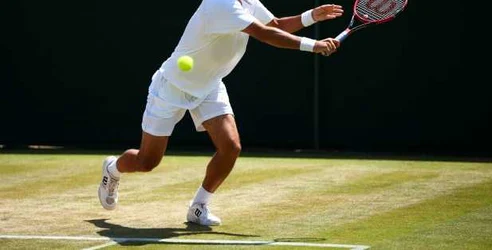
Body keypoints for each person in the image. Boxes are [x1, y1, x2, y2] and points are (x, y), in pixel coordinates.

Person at [98, 0, 343, 226]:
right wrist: (315, 46)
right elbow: (266, 34)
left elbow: (276, 24)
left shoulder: (246, 1)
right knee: (147, 161)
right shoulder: (219, 4)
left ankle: (198, 207)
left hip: (210, 85)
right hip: (172, 86)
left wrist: (311, 16)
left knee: (231, 146)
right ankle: (113, 168)